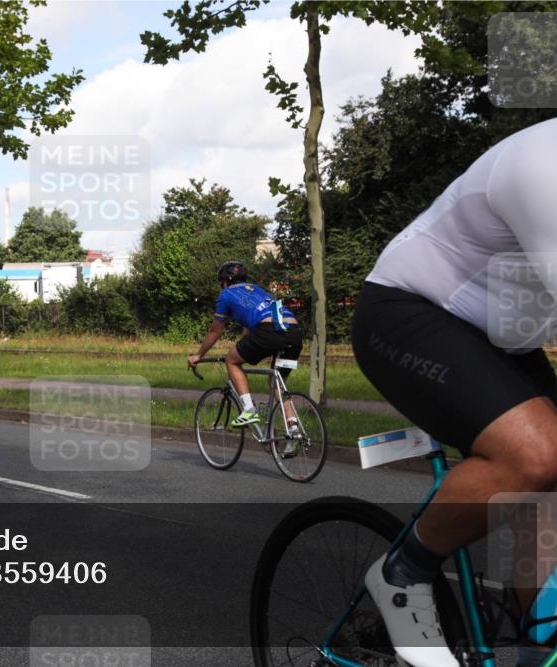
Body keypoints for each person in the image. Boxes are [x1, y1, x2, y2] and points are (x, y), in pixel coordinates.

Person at [352, 119, 557, 667]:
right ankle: (403, 573)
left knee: (549, 490)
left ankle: (534, 638)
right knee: (538, 455)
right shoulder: (544, 161)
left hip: (504, 339)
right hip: (408, 312)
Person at [187, 261, 302, 432]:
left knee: (231, 361)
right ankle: (294, 428)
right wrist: (241, 346)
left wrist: (199, 355)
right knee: (276, 384)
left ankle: (249, 409)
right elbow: (250, 326)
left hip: (269, 331)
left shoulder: (226, 294)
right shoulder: (257, 290)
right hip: (294, 332)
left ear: (225, 282)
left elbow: (215, 331)